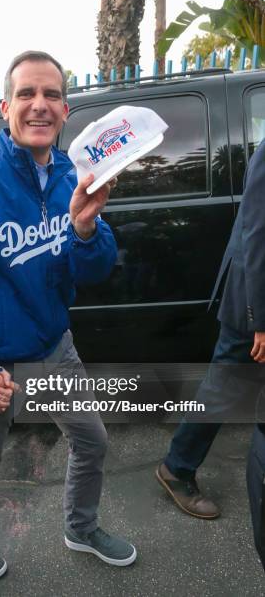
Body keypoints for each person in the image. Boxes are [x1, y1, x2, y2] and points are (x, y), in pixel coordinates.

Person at [0, 50, 137, 579]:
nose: (39, 105)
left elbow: (94, 267)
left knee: (92, 441)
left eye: (51, 95)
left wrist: (86, 231)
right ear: (5, 108)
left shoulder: (74, 177)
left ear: (67, 111)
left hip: (54, 348)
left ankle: (81, 527)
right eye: (27, 94)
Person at [156, 138, 265, 521]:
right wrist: (261, 321)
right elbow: (257, 235)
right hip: (253, 297)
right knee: (223, 387)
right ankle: (177, 468)